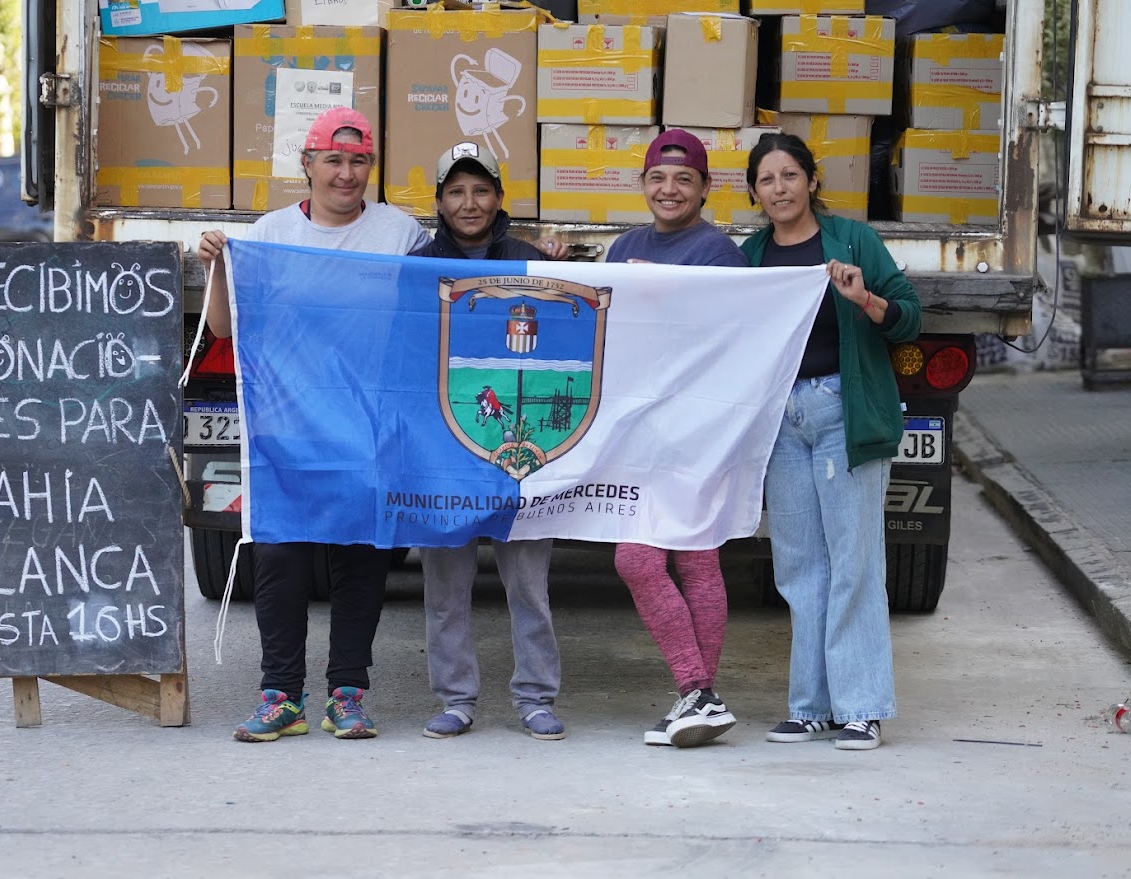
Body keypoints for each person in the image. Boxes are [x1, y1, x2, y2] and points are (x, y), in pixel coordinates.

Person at [198, 107, 432, 743]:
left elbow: (430, 317)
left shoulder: (399, 233)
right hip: (289, 427)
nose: (346, 173)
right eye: (333, 159)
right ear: (306, 165)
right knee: (281, 560)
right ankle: (281, 696)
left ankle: (347, 696)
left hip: (370, 428)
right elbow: (223, 327)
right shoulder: (270, 233)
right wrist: (219, 267)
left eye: (359, 161)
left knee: (363, 560)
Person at [739, 133, 921, 751]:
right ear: (755, 193)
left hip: (843, 409)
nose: (780, 188)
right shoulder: (753, 253)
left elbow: (909, 314)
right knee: (798, 566)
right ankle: (811, 705)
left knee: (855, 561)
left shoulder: (852, 242)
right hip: (781, 422)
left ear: (813, 181)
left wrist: (863, 297)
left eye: (790, 175)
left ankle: (862, 706)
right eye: (767, 179)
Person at [409, 141, 568, 741]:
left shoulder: (533, 263)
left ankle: (536, 697)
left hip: (520, 455)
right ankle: (455, 697)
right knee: (445, 587)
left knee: (528, 585)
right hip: (443, 452)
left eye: (481, 190)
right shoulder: (419, 266)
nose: (469, 203)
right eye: (456, 191)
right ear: (440, 201)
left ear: (500, 199)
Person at [606, 129, 749, 748]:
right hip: (637, 430)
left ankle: (696, 692)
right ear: (642, 184)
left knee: (670, 558)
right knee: (662, 560)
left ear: (705, 188)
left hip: (698, 431)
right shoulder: (624, 245)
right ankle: (701, 700)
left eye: (683, 179)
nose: (669, 189)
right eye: (658, 178)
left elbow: (729, 336)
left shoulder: (719, 253)